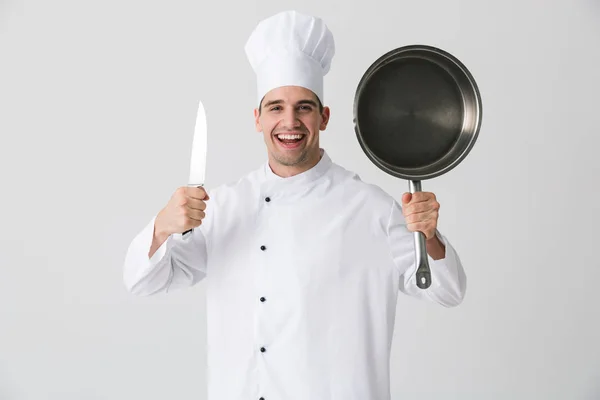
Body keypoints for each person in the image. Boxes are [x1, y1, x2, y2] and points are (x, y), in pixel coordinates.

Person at [122, 10, 466, 400]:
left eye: (304, 107)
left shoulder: (370, 208)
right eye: (275, 107)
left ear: (324, 117)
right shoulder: (223, 206)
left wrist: (429, 235)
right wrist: (162, 226)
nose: (290, 121)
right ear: (257, 119)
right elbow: (142, 281)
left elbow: (448, 290)